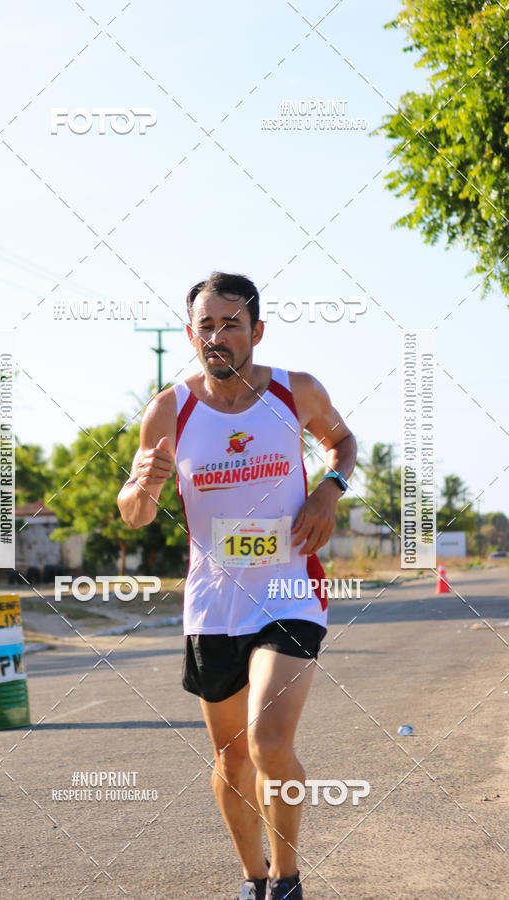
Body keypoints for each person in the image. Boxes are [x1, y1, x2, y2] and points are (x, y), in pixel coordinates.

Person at [118, 272, 356, 900]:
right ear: (191, 334)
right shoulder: (171, 409)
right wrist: (143, 482)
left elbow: (342, 442)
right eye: (205, 325)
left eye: (231, 324)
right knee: (231, 760)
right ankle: (254, 882)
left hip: (288, 589)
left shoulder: (294, 391)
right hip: (212, 604)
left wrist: (330, 489)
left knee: (268, 740)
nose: (217, 336)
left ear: (256, 330)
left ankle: (288, 878)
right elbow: (134, 513)